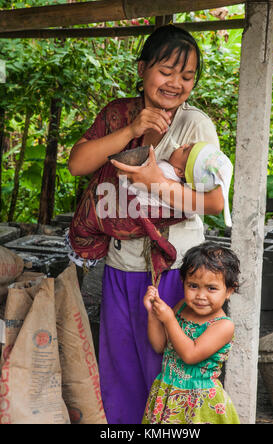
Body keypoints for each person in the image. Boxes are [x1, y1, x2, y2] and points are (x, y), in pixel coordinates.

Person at [68, 24, 224, 424]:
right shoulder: (118, 115)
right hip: (122, 268)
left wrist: (157, 183)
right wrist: (133, 130)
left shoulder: (195, 127)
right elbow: (78, 164)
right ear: (142, 68)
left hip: (173, 271)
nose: (176, 83)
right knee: (120, 374)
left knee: (164, 371)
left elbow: (214, 201)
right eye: (166, 71)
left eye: (187, 76)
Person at [142, 241, 240, 424]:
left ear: (229, 291)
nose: (201, 295)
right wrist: (152, 314)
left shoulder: (223, 326)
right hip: (168, 392)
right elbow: (159, 346)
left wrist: (169, 319)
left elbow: (190, 355)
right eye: (193, 286)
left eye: (211, 288)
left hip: (199, 403)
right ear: (183, 283)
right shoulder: (181, 308)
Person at [125, 140, 233, 227]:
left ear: (180, 172)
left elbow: (130, 181)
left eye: (185, 149)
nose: (184, 145)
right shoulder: (186, 193)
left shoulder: (163, 170)